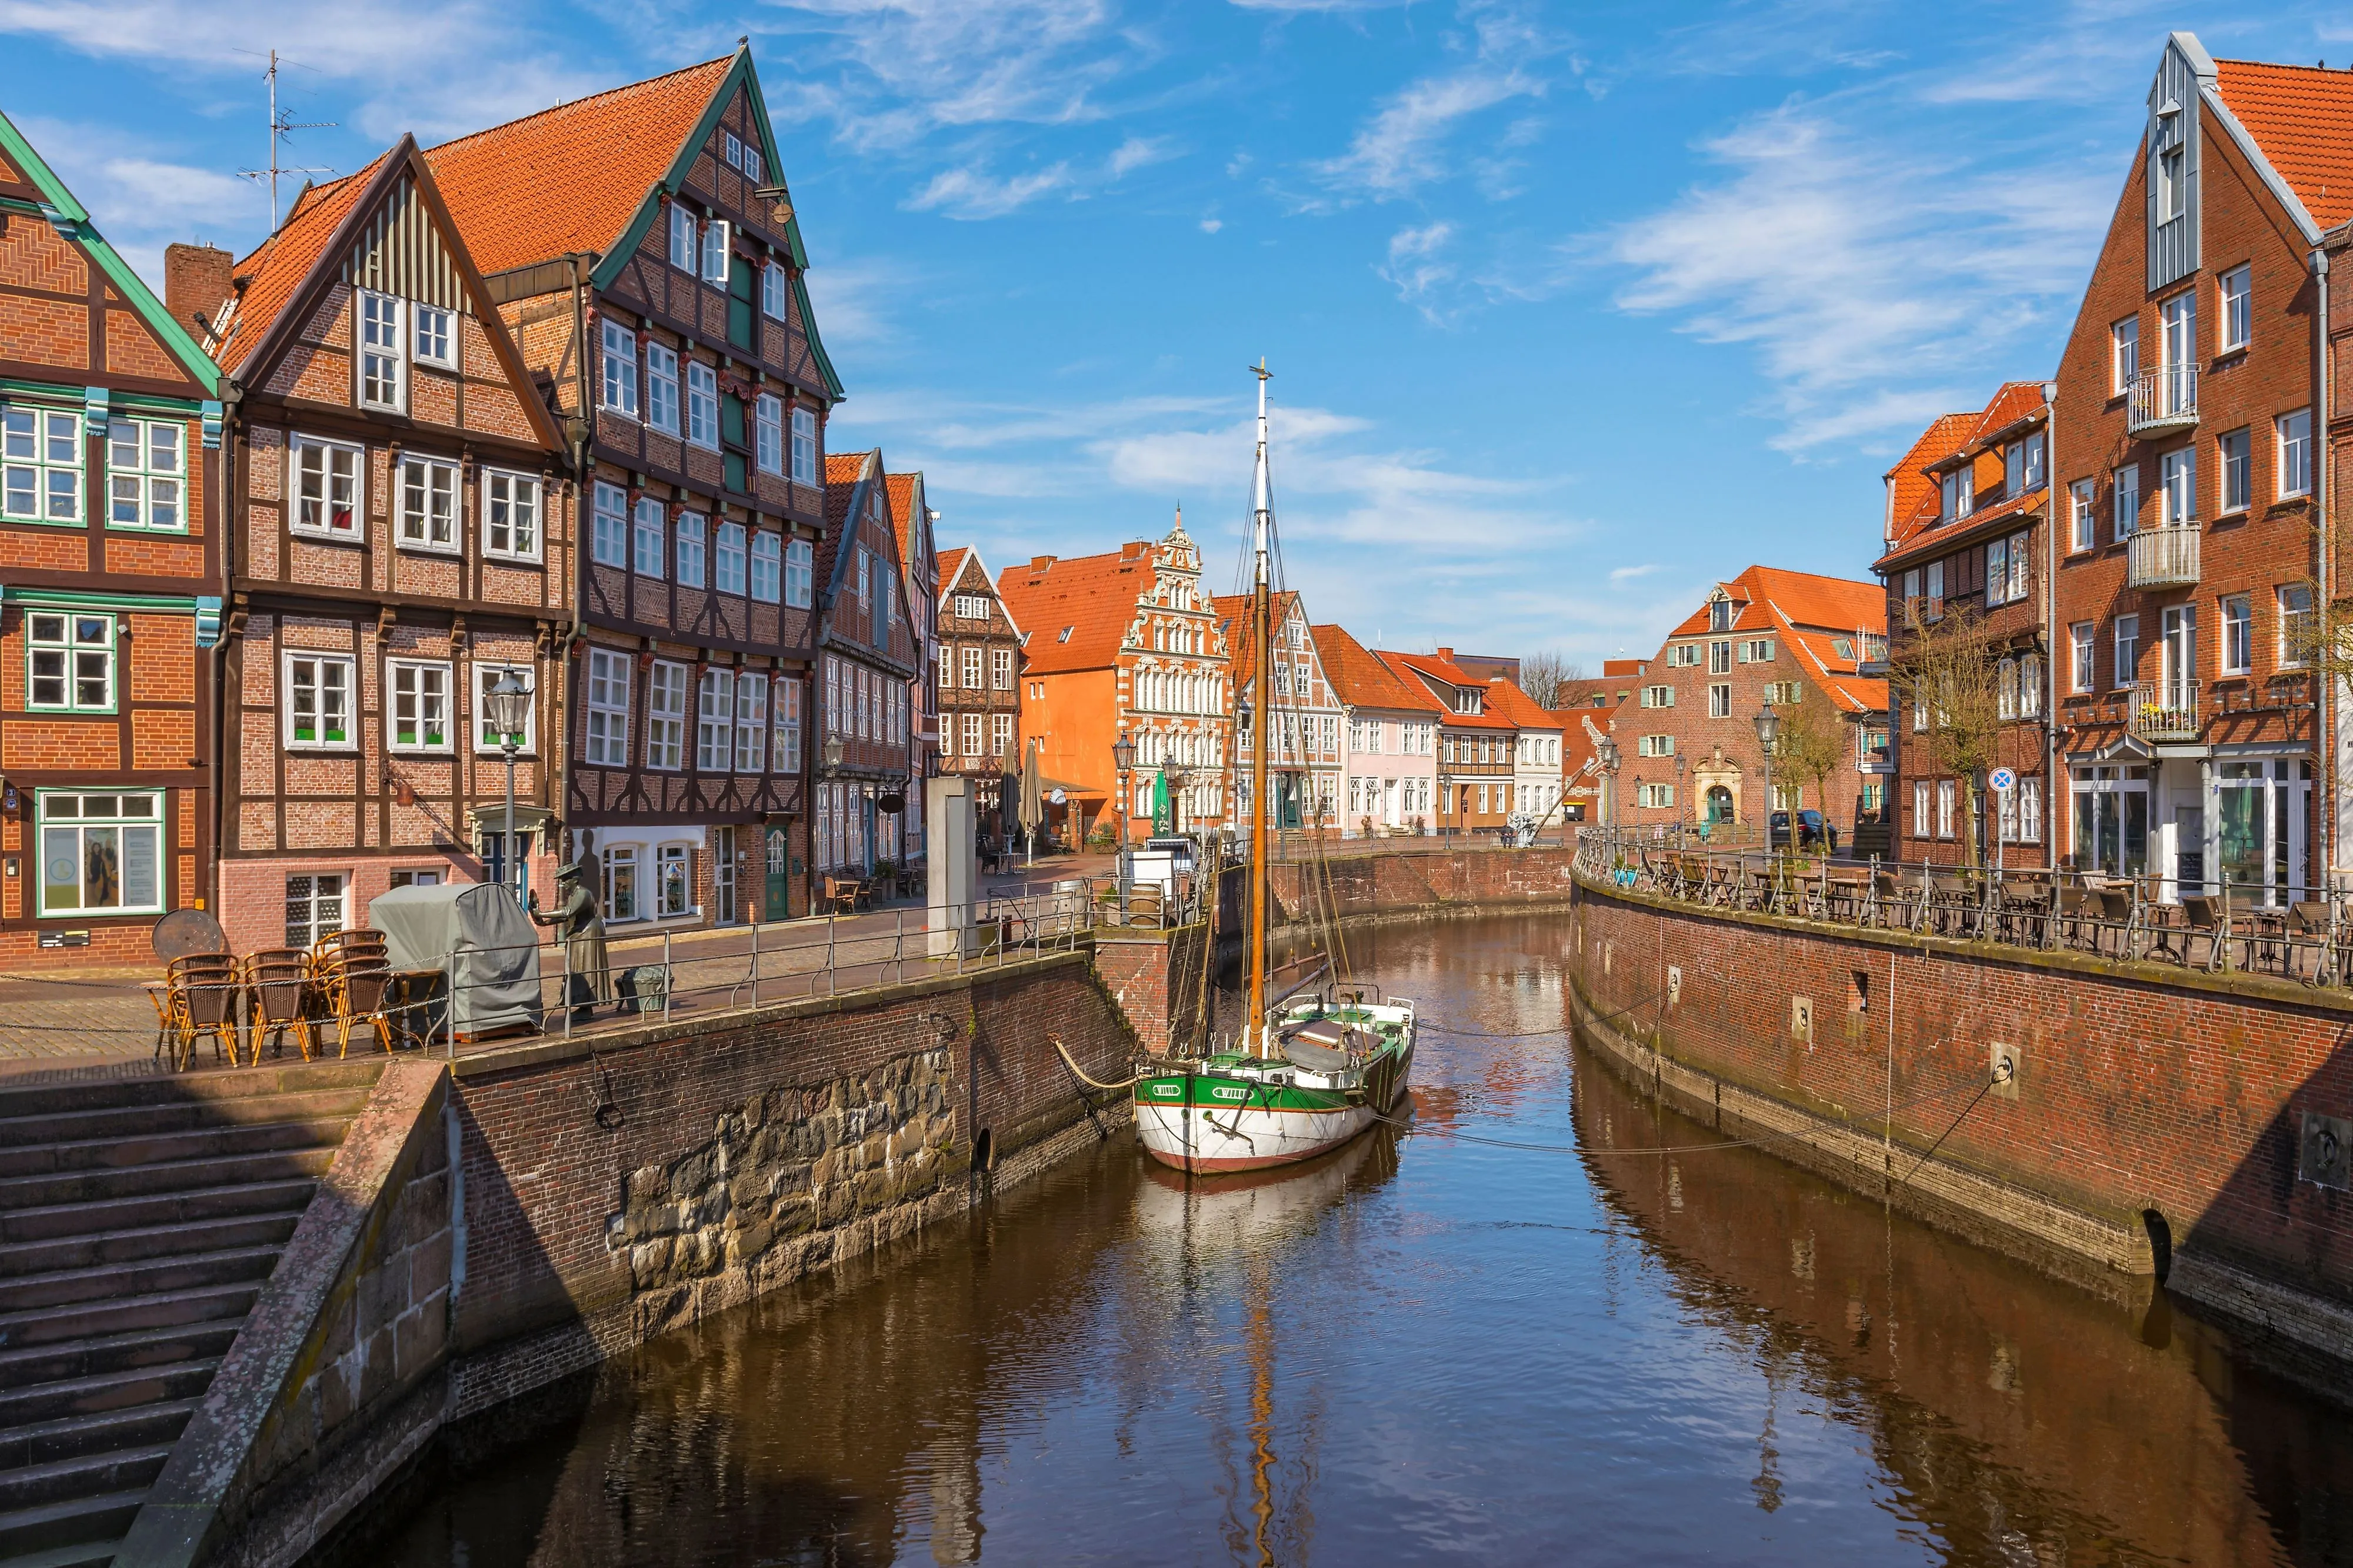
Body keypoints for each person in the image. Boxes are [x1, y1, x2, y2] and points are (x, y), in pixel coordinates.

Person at [531, 860, 612, 1022]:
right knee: (577, 969)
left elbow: (567, 912)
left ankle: (587, 1005)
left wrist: (542, 914)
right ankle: (583, 1005)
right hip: (578, 935)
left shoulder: (582, 894)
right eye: (562, 880)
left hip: (588, 935)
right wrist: (543, 922)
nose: (563, 884)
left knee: (587, 969)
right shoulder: (573, 895)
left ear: (575, 879)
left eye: (566, 879)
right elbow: (566, 917)